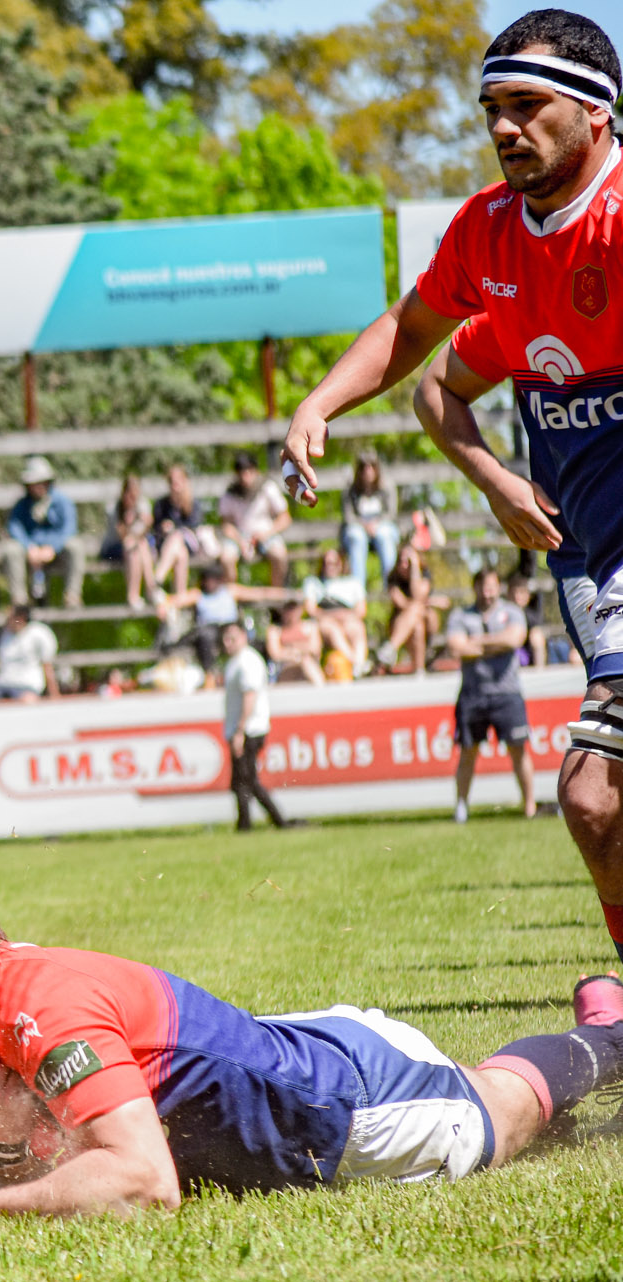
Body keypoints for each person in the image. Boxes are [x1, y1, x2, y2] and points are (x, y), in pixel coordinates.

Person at [286, 10, 623, 961]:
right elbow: (419, 352)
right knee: (598, 808)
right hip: (590, 559)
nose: (506, 127)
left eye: (528, 105)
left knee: (594, 794)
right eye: (493, 111)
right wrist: (323, 407)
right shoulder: (490, 235)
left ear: (597, 114)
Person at [0, 867, 623, 1217]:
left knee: (502, 1106)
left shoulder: (37, 1009)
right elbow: (65, 1162)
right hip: (276, 1045)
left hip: (343, 1104)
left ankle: (607, 1033)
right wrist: (2, 1141)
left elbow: (143, 1179)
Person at [449, 568, 538, 822]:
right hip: (472, 694)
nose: (487, 592)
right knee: (467, 752)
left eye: (492, 586)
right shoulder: (460, 615)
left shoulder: (511, 612)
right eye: (483, 586)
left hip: (507, 694)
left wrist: (477, 642)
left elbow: (514, 640)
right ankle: (461, 808)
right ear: (475, 588)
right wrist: (496, 643)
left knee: (518, 750)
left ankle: (529, 807)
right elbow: (457, 647)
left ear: (498, 587)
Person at [221, 620, 288, 832]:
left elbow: (249, 696)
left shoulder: (246, 661)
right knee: (244, 780)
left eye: (232, 637)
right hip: (244, 728)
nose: (227, 643)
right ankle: (262, 822)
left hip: (250, 728)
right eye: (225, 638)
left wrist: (240, 730)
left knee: (246, 780)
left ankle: (253, 825)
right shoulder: (236, 661)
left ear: (244, 636)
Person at [161, 566, 286, 677]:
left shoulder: (230, 591)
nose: (210, 583)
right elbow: (175, 600)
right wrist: (163, 606)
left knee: (250, 638)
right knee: (204, 635)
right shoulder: (198, 595)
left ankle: (265, 673)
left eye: (213, 579)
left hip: (232, 627)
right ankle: (209, 676)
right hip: (211, 631)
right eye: (207, 579)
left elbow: (260, 593)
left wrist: (285, 594)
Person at [4, 455, 83, 607]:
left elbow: (69, 528)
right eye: (34, 483)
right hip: (31, 553)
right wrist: (30, 548)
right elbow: (14, 527)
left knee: (76, 546)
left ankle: (72, 595)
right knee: (11, 549)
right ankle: (19, 601)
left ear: (48, 482)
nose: (38, 486)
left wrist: (53, 547)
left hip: (56, 552)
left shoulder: (62, 502)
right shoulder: (22, 504)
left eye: (41, 482)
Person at [217, 453, 291, 586]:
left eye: (249, 471)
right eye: (242, 472)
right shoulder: (229, 494)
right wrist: (239, 540)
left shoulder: (267, 488)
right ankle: (232, 599)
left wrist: (266, 533)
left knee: (279, 555)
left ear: (256, 471)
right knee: (226, 558)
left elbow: (285, 518)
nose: (246, 477)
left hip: (266, 533)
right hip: (240, 536)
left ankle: (277, 597)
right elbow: (226, 524)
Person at [150, 464, 218, 598]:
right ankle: (179, 600)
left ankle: (157, 578)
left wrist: (174, 527)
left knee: (177, 536)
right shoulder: (161, 504)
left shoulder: (194, 504)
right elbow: (155, 529)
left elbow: (194, 526)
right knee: (180, 554)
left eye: (177, 481)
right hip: (169, 548)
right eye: (172, 482)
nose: (175, 486)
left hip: (190, 542)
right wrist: (163, 528)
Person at [300, 547, 369, 672]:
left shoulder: (353, 582)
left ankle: (359, 663)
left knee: (357, 628)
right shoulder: (313, 583)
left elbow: (361, 610)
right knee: (333, 630)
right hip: (324, 619)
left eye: (334, 563)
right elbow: (311, 609)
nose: (330, 566)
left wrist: (345, 616)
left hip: (348, 618)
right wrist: (334, 616)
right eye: (326, 563)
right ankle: (355, 662)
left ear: (341, 563)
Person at [0, 603, 57, 704]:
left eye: (10, 617)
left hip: (27, 686)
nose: (7, 620)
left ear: (20, 618)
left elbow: (47, 665)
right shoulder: (4, 634)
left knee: (28, 701)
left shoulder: (38, 634)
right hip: (3, 682)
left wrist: (54, 694)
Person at [380, 545, 445, 674]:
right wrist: (431, 602)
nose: (404, 565)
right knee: (417, 624)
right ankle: (419, 670)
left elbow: (418, 596)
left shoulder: (424, 574)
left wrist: (415, 568)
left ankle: (391, 648)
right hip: (400, 624)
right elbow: (403, 604)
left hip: (427, 623)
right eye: (401, 561)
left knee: (418, 615)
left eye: (408, 561)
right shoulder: (393, 579)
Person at [340, 454, 401, 585]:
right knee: (356, 537)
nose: (368, 471)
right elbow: (348, 516)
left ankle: (391, 586)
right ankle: (358, 590)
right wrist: (364, 525)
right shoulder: (350, 489)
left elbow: (391, 513)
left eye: (371, 467)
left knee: (385, 536)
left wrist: (376, 524)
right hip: (359, 529)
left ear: (376, 468)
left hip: (382, 527)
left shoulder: (387, 486)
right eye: (363, 467)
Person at [99, 472, 155, 609]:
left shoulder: (143, 506)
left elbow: (140, 536)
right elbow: (121, 537)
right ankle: (136, 594)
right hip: (113, 548)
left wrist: (146, 525)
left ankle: (150, 589)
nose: (132, 498)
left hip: (135, 547)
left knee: (139, 545)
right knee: (133, 545)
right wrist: (128, 525)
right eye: (130, 494)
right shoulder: (114, 509)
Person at [266, 602, 325, 687]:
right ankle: (321, 689)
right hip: (285, 670)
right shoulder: (275, 630)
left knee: (306, 662)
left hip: (308, 665)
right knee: (305, 661)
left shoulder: (310, 627)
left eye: (293, 609)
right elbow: (275, 654)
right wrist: (299, 652)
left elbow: (315, 649)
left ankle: (321, 689)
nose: (291, 613)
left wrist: (291, 647)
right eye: (288, 609)